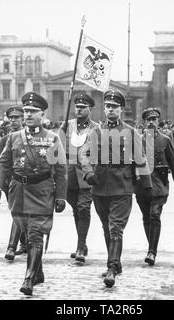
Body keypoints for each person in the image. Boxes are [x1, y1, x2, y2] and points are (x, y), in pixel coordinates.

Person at [0, 92, 67, 296]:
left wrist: (60, 196)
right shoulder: (14, 137)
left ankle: (29, 278)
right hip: (18, 192)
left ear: (42, 114)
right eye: (26, 111)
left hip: (42, 192)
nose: (28, 115)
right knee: (25, 230)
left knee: (35, 235)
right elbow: (3, 163)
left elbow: (60, 169)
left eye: (33, 112)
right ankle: (38, 271)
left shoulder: (52, 138)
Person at [82, 89, 152, 288]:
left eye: (114, 107)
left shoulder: (130, 132)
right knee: (106, 227)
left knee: (115, 228)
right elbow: (84, 156)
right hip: (99, 186)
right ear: (103, 109)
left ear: (121, 109)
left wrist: (146, 187)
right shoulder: (95, 132)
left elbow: (141, 158)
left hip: (122, 186)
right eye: (107, 106)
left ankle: (112, 268)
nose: (110, 110)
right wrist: (88, 174)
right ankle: (116, 263)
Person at [135, 108, 174, 266]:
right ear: (144, 122)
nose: (151, 122)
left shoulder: (165, 140)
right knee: (146, 217)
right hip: (142, 186)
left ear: (158, 121)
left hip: (159, 185)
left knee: (155, 215)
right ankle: (152, 246)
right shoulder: (138, 140)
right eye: (148, 120)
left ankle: (151, 252)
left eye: (154, 119)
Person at [59, 93, 98, 263]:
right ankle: (82, 242)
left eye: (83, 107)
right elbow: (57, 150)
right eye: (77, 107)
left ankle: (80, 247)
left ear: (90, 109)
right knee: (76, 210)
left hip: (87, 176)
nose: (79, 110)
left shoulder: (97, 128)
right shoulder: (67, 126)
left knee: (83, 209)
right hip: (70, 176)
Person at [0, 105, 28, 261]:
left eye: (17, 118)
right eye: (11, 118)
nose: (14, 121)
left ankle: (14, 246)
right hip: (12, 183)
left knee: (22, 213)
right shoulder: (4, 140)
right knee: (17, 213)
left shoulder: (29, 137)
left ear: (23, 119)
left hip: (29, 182)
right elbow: (0, 163)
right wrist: (0, 186)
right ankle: (23, 243)